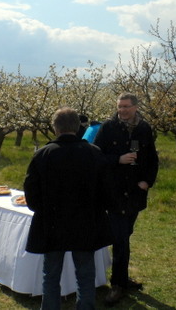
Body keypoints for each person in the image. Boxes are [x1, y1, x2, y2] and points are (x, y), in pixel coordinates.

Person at [24, 107, 112, 310]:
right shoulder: (94, 153)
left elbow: (31, 192)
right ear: (78, 127)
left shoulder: (43, 154)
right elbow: (107, 191)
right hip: (86, 223)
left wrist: (42, 210)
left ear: (55, 128)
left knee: (51, 274)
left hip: (52, 223)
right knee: (85, 272)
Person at [93, 92, 159, 305]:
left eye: (126, 107)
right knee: (120, 238)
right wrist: (117, 159)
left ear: (136, 107)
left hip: (134, 193)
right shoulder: (108, 127)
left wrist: (147, 181)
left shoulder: (144, 128)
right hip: (113, 193)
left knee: (125, 236)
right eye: (119, 106)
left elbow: (152, 158)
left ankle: (121, 277)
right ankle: (118, 284)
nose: (122, 110)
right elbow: (96, 156)